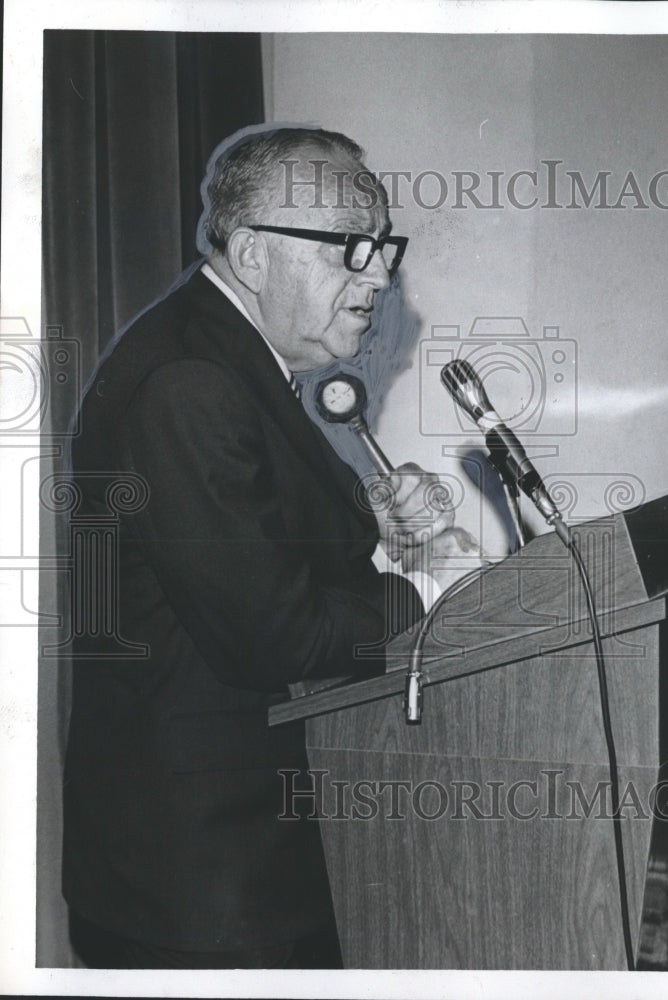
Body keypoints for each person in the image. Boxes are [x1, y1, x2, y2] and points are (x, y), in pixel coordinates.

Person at [62, 125, 480, 969]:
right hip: (207, 887)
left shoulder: (221, 358)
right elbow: (273, 634)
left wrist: (379, 532)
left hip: (234, 863)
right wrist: (427, 596)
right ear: (252, 253)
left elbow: (243, 561)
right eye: (349, 250)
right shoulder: (191, 380)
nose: (380, 275)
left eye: (383, 246)